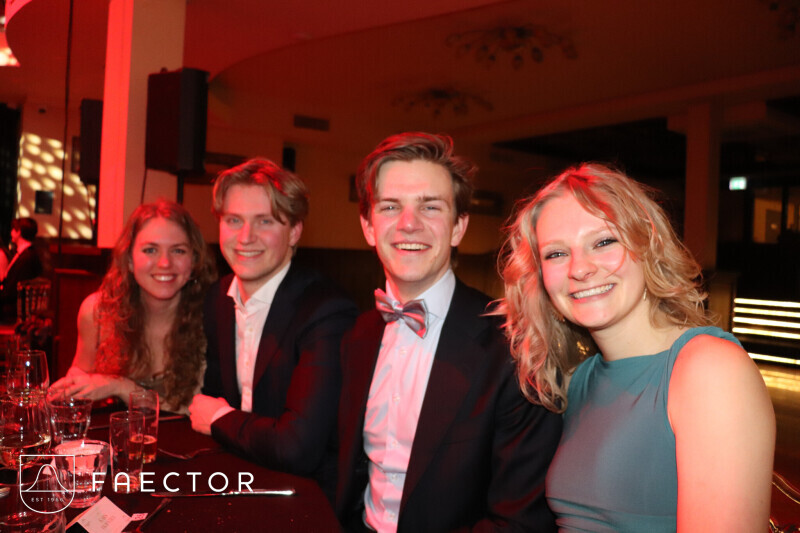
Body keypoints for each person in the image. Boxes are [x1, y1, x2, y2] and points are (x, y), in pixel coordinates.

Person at [498, 163, 775, 532]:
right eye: (556, 254)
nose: (580, 269)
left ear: (648, 246)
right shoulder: (579, 380)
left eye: (603, 242)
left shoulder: (709, 370)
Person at [336, 132, 562, 532]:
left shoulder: (516, 347)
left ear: (458, 227)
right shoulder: (358, 334)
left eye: (430, 207)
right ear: (368, 227)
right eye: (390, 207)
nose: (409, 224)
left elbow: (518, 522)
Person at [187, 159, 357, 500]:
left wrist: (219, 418)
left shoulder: (327, 310)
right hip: (237, 479)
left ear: (294, 232)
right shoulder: (218, 297)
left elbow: (298, 447)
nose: (245, 237)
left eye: (264, 221)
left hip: (304, 498)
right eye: (234, 220)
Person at [50, 200, 215, 412]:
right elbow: (77, 391)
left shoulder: (211, 317)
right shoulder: (97, 312)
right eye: (150, 250)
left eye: (178, 251)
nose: (165, 263)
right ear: (129, 259)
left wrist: (121, 387)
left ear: (194, 260)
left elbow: (194, 413)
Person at [0, 218, 44, 322]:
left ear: (19, 232)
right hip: (13, 303)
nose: (11, 232)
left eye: (13, 229)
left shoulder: (27, 257)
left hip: (15, 308)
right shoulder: (25, 254)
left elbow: (14, 289)